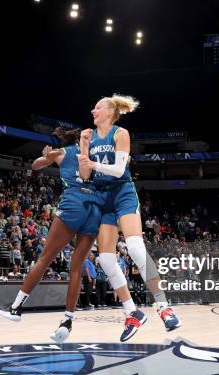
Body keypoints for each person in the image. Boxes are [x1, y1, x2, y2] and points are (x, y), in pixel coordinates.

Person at [78, 94, 181, 339]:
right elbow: (83, 176)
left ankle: (163, 306)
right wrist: (83, 147)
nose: (93, 110)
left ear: (110, 112)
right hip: (102, 198)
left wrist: (93, 164)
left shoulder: (120, 133)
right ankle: (131, 312)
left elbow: (118, 170)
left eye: (97, 107)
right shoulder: (89, 137)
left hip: (122, 193)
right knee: (105, 259)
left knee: (135, 247)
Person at [0, 128, 111, 343]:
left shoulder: (63, 152)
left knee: (45, 258)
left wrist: (46, 155)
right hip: (95, 209)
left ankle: (16, 308)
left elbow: (35, 165)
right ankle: (67, 320)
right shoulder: (97, 155)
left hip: (74, 203)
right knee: (77, 266)